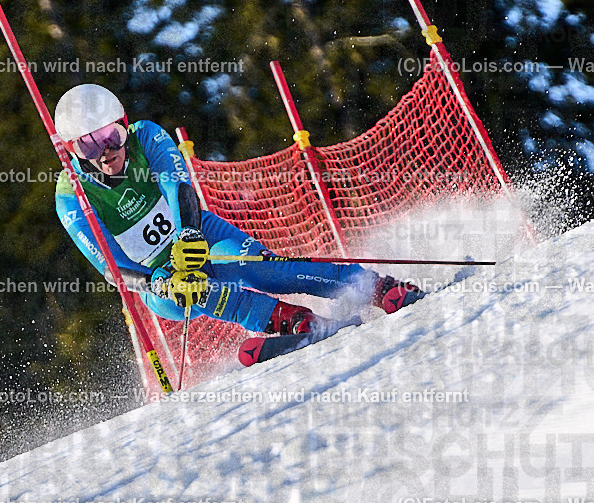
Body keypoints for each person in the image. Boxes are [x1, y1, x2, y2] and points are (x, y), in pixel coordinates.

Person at [54, 84, 424, 336]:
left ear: (123, 125)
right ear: (72, 152)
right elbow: (112, 268)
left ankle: (372, 286)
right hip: (157, 275)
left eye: (111, 136)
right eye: (88, 146)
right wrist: (158, 281)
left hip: (198, 235)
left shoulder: (145, 136)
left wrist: (190, 234)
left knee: (264, 269)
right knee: (191, 291)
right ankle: (289, 320)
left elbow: (178, 184)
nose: (106, 151)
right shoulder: (72, 196)